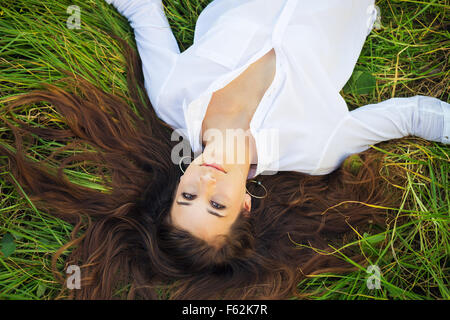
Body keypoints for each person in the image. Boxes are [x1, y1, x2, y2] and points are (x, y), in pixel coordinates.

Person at [0, 0, 448, 299]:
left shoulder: (172, 99)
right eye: (217, 204)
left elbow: (143, 11)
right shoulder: (314, 150)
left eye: (188, 196)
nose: (206, 180)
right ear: (246, 206)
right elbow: (409, 117)